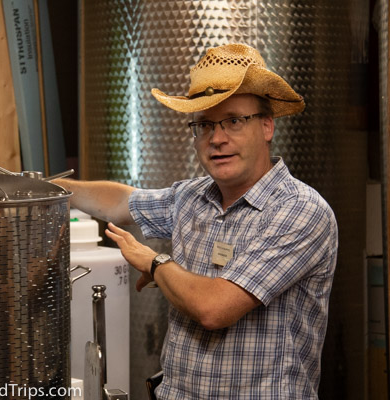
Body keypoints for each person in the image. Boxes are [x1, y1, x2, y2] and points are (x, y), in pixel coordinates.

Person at [55, 43, 338, 399]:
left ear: (267, 126)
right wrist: (52, 188)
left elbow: (214, 309)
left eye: (234, 121)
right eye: (204, 124)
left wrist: (157, 264)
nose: (217, 138)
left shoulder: (299, 210)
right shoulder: (193, 197)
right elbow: (122, 202)